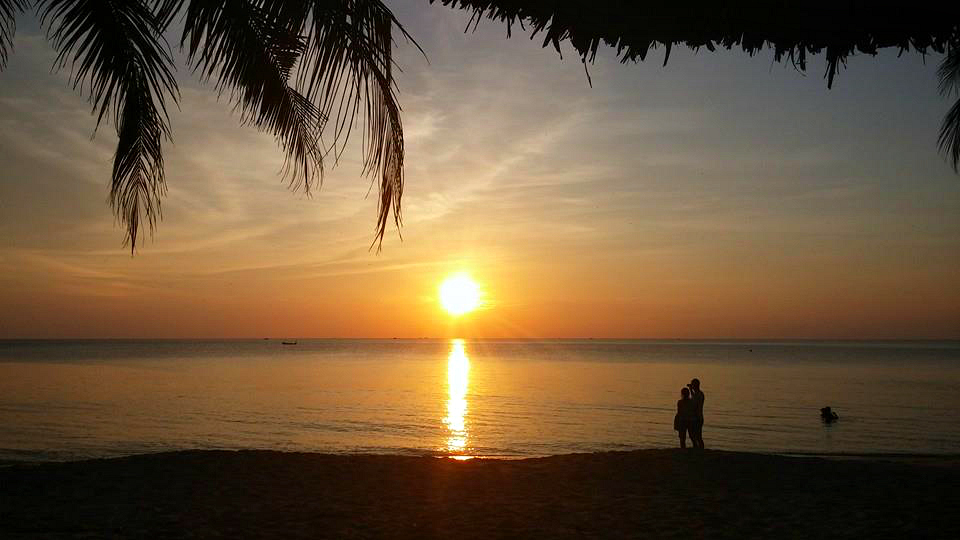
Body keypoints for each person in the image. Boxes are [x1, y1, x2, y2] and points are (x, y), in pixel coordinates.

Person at [688, 378, 705, 449]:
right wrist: (690, 389)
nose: (692, 386)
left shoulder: (699, 394)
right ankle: (696, 447)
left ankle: (700, 448)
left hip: (697, 418)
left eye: (692, 384)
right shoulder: (697, 394)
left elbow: (694, 405)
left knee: (697, 436)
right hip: (696, 418)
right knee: (693, 435)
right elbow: (693, 397)